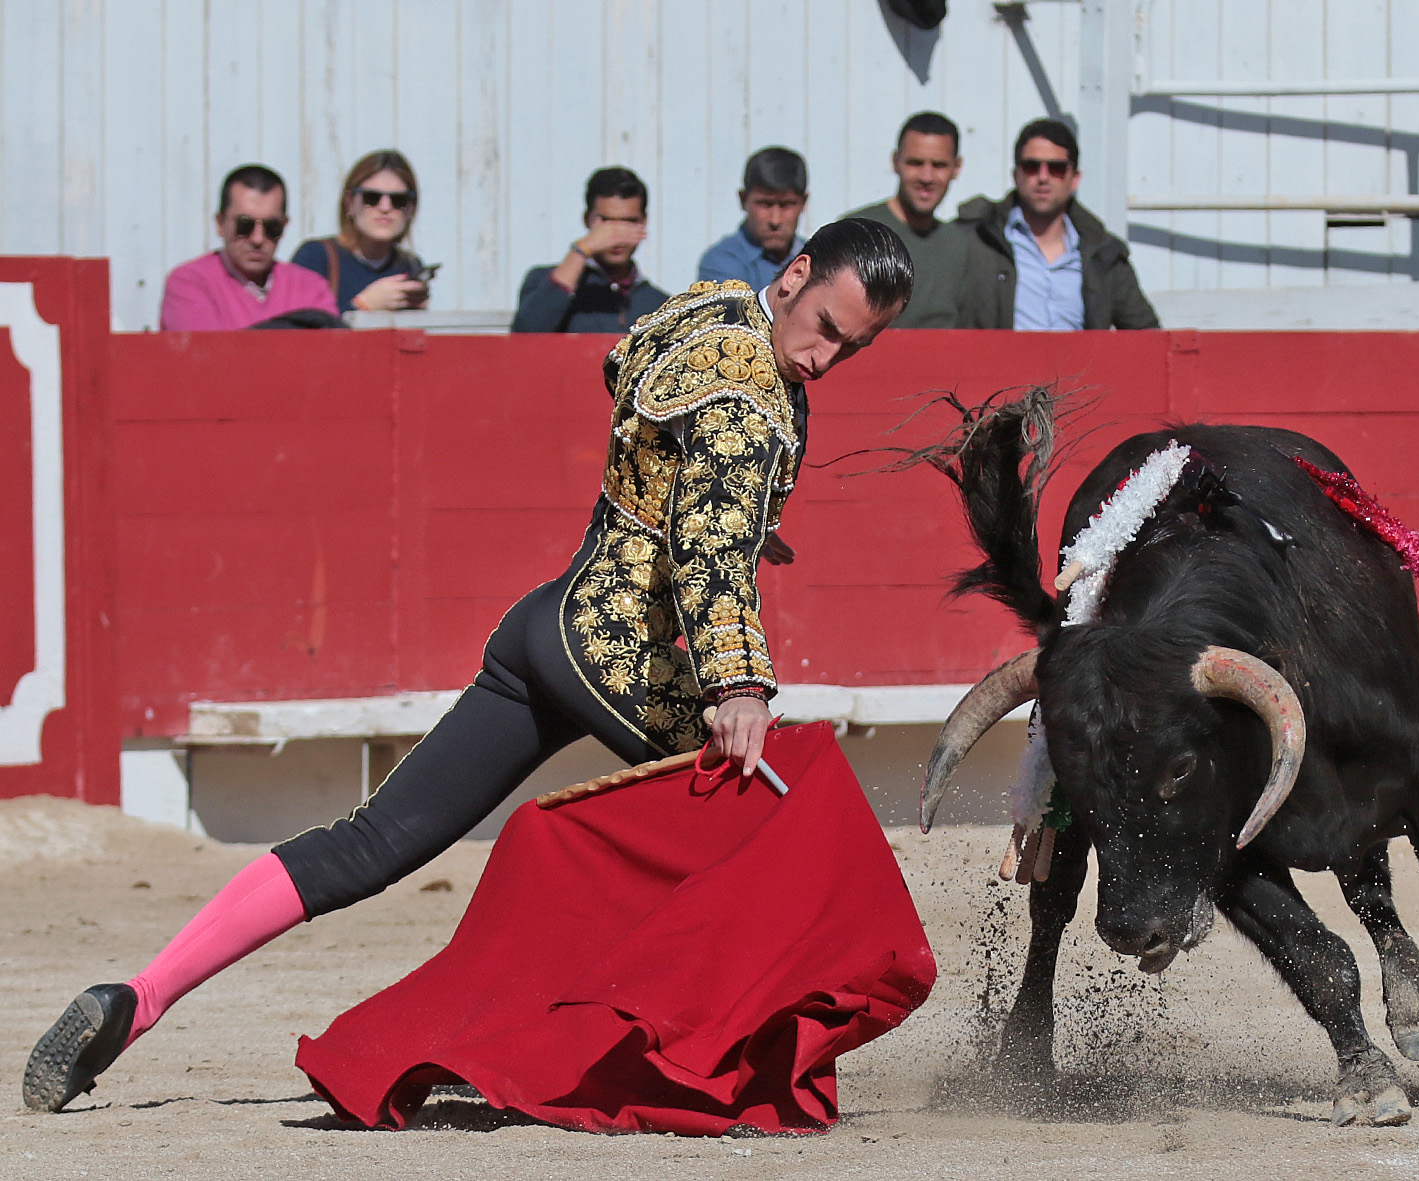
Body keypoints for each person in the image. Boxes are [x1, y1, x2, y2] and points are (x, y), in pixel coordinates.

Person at [23, 218, 916, 1115]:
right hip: (619, 656)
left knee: (370, 841)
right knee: (784, 822)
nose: (825, 358)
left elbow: (624, 375)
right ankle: (664, 1060)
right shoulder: (755, 397)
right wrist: (739, 683)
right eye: (828, 328)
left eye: (856, 346)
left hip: (544, 625)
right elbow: (708, 548)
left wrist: (724, 509)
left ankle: (138, 998)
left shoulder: (710, 307)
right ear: (798, 275)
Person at [953, 118, 1158, 331]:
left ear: (1075, 179)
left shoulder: (1104, 254)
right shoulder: (977, 239)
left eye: (1056, 168)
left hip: (1080, 365)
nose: (1043, 177)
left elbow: (1147, 335)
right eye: (1032, 166)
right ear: (1016, 175)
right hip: (1000, 364)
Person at [159, 165, 338, 331]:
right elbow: (205, 358)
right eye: (244, 225)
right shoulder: (190, 283)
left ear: (284, 226)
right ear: (221, 224)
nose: (258, 239)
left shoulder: (311, 288)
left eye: (271, 227)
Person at [846, 111, 967, 328]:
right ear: (895, 162)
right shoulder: (856, 233)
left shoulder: (963, 245)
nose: (926, 177)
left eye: (938, 165)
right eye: (915, 163)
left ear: (956, 168)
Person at [512, 166, 669, 333]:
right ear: (587, 219)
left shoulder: (660, 305)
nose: (616, 235)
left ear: (644, 222)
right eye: (607, 222)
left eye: (629, 222)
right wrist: (581, 250)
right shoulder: (544, 281)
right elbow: (524, 337)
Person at [291, 150, 430, 315]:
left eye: (398, 200)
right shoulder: (316, 257)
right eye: (371, 198)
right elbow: (297, 333)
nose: (385, 208)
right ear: (350, 203)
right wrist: (363, 306)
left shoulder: (410, 265)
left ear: (410, 208)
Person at [697, 148, 809, 292]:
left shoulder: (819, 260)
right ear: (743, 200)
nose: (775, 220)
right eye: (765, 204)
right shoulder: (721, 262)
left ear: (804, 203)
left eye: (786, 205)